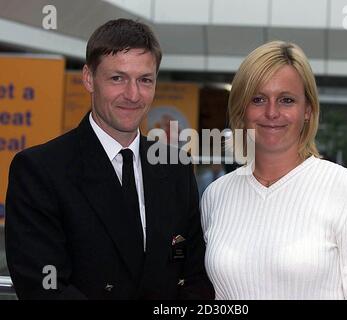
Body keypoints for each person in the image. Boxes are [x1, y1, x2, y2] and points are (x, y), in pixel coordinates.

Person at [5, 18, 214, 300]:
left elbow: (194, 275)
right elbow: (44, 285)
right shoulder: (41, 170)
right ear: (89, 78)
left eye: (145, 80)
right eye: (117, 78)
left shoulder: (174, 166)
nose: (132, 94)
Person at [200, 41, 347, 300]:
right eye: (258, 99)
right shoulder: (216, 195)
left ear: (308, 110)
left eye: (286, 100)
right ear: (242, 110)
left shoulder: (345, 188)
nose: (271, 112)